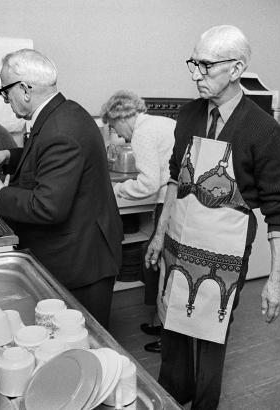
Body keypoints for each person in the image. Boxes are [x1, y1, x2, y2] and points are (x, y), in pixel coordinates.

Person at [144, 25, 280, 409]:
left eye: (206, 66)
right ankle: (172, 396)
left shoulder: (262, 128)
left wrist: (275, 281)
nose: (195, 74)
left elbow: (278, 211)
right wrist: (160, 236)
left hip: (224, 250)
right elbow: (176, 178)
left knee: (212, 332)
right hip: (179, 240)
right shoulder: (190, 112)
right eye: (193, 63)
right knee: (174, 325)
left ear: (236, 67)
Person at [0, 49, 123, 328]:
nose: (6, 100)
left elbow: (47, 206)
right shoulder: (61, 113)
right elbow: (43, 160)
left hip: (81, 260)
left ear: (25, 89)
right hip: (79, 249)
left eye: (6, 93)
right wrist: (8, 155)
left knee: (81, 341)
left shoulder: (60, 129)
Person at [100, 90, 176, 353]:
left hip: (170, 203)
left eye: (113, 126)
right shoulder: (161, 122)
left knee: (164, 268)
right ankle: (161, 324)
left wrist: (118, 189)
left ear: (120, 116)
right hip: (180, 201)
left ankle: (167, 338)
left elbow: (149, 183)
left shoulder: (143, 133)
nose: (118, 135)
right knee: (166, 267)